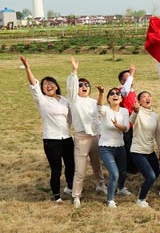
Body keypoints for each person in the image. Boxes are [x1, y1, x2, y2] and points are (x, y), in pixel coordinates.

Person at [18, 55, 74, 203]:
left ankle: (70, 186)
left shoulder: (64, 100)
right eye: (45, 85)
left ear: (56, 86)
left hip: (67, 138)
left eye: (51, 83)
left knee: (71, 165)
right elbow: (34, 85)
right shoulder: (42, 100)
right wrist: (28, 68)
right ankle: (57, 196)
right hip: (51, 139)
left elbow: (70, 117)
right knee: (56, 169)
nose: (48, 86)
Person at [65, 56, 107, 208]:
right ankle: (76, 195)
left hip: (95, 136)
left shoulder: (92, 102)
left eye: (86, 85)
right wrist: (75, 71)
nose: (84, 87)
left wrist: (102, 94)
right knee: (80, 168)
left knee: (97, 164)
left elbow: (100, 114)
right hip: (81, 137)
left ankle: (101, 184)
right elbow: (71, 88)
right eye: (81, 85)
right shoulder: (74, 100)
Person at [129, 91, 160, 208]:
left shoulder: (154, 115)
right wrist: (135, 111)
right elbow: (132, 120)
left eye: (149, 96)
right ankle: (141, 199)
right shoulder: (138, 113)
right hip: (138, 151)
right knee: (150, 176)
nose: (147, 98)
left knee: (157, 172)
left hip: (149, 151)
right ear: (139, 101)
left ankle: (144, 186)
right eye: (144, 97)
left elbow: (158, 134)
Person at [96, 85, 129, 208]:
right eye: (112, 94)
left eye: (118, 94)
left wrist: (117, 125)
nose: (115, 95)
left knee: (123, 172)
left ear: (121, 99)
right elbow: (99, 107)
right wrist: (101, 93)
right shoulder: (105, 110)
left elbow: (126, 128)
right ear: (108, 99)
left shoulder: (124, 111)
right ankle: (110, 199)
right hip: (106, 147)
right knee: (114, 174)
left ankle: (120, 188)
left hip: (120, 146)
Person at [118, 65, 138, 176]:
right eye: (127, 77)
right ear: (122, 81)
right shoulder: (122, 91)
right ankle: (129, 167)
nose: (131, 78)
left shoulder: (132, 91)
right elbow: (125, 89)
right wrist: (132, 73)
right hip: (126, 125)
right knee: (127, 146)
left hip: (134, 124)